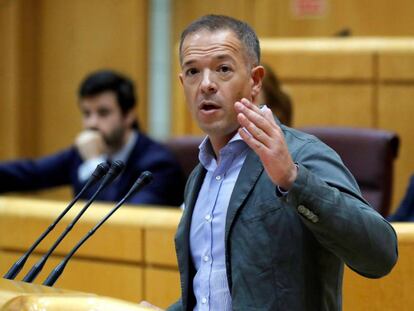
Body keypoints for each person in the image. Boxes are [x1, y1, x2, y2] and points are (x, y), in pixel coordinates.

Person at [160, 15, 397, 311]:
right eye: (193, 72)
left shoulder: (301, 154)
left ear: (255, 81)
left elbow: (381, 255)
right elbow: (217, 291)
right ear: (183, 84)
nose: (206, 84)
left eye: (223, 69)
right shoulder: (200, 174)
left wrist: (293, 179)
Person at [0, 69, 185, 206]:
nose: (92, 124)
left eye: (103, 113)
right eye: (87, 113)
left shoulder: (158, 166)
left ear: (129, 115)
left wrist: (94, 165)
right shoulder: (83, 153)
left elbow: (121, 225)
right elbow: (31, 173)